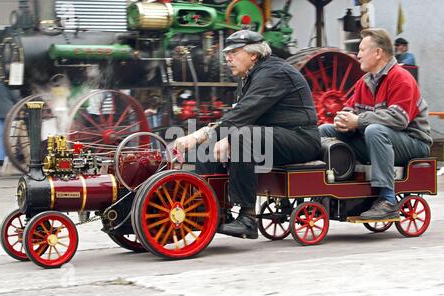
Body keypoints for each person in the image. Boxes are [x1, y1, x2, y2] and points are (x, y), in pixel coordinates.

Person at [174, 30, 321, 238]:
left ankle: (248, 218)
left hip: (301, 139)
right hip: (273, 137)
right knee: (213, 143)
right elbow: (238, 116)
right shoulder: (250, 76)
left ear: (253, 55)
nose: (227, 58)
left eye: (234, 52)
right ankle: (209, 209)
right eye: (227, 54)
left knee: (241, 136)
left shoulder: (274, 73)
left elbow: (244, 113)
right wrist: (215, 137)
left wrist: (198, 135)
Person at [319, 28, 431, 220]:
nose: (358, 55)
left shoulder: (402, 78)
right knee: (325, 130)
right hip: (378, 140)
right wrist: (343, 119)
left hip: (414, 143)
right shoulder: (365, 81)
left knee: (375, 130)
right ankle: (334, 184)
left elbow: (399, 119)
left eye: (362, 50)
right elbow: (351, 108)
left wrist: (358, 121)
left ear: (378, 53)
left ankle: (387, 200)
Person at [0, 64, 20, 170]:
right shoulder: (9, 83)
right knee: (8, 135)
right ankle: (7, 157)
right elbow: (15, 97)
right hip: (9, 111)